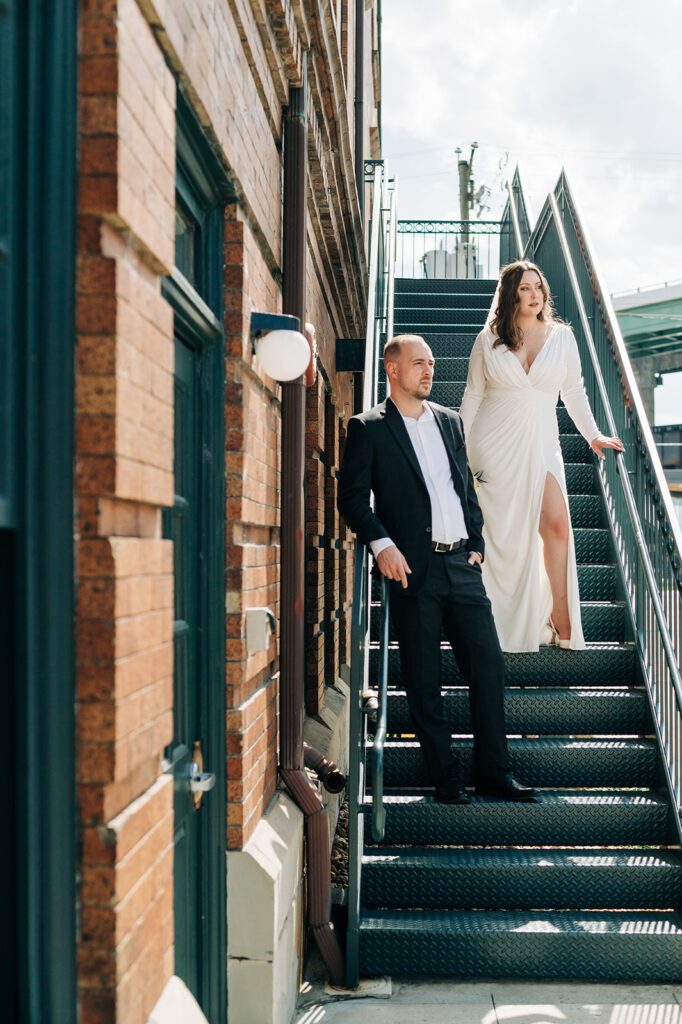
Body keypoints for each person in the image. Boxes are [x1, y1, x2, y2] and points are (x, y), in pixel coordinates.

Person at [338, 334, 534, 804]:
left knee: (487, 666)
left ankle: (494, 772)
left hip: (462, 565)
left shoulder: (449, 422)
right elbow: (351, 497)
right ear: (393, 370)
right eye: (419, 364)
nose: (429, 371)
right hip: (411, 570)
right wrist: (382, 544)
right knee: (424, 680)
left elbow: (463, 487)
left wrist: (478, 543)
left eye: (431, 363)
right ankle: (445, 776)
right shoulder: (368, 428)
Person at [459, 259, 624, 653]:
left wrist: (593, 435)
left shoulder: (562, 337)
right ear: (510, 295)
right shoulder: (488, 340)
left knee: (556, 526)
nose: (535, 296)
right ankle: (497, 621)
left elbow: (574, 391)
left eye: (538, 287)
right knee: (506, 539)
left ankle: (561, 617)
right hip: (493, 443)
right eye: (525, 289)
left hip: (542, 441)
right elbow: (473, 395)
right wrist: (456, 447)